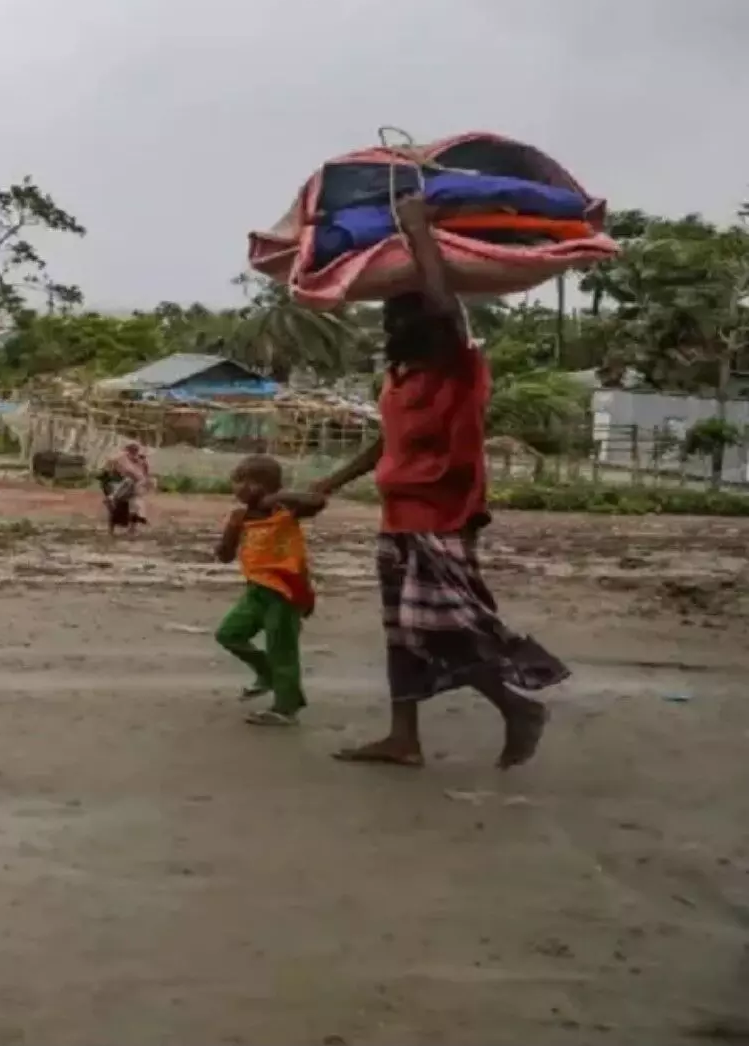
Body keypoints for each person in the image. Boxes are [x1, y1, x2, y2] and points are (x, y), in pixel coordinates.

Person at [312, 197, 568, 769]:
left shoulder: (460, 366)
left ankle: (518, 707)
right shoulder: (400, 379)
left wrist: (420, 230)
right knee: (401, 633)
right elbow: (389, 443)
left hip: (442, 517)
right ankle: (404, 738)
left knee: (446, 627)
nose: (390, 325)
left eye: (401, 317)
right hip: (399, 519)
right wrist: (328, 484)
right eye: (388, 318)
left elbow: (445, 306)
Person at [213, 454, 322, 727]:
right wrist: (230, 532)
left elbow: (317, 501)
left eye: (244, 481)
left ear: (263, 486)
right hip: (256, 590)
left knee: (282, 649)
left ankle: (286, 707)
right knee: (228, 634)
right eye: (236, 481)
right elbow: (225, 555)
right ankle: (267, 674)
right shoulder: (240, 516)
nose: (237, 488)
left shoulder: (285, 510)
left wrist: (278, 497)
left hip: (286, 591)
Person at [100, 440, 152, 534]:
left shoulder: (141, 462)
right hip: (120, 487)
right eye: (133, 449)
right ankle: (113, 529)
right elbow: (108, 469)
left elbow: (145, 477)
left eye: (136, 449)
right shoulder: (121, 458)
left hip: (132, 490)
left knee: (135, 503)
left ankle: (132, 528)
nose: (135, 452)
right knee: (129, 488)